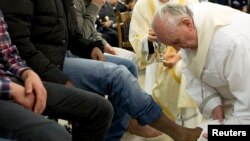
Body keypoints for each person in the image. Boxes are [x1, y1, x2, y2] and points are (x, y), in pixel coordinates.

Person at [0, 0, 202, 141]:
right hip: (45, 63)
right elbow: (20, 45)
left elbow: (72, 35)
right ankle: (174, 130)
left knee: (127, 65)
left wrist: (91, 47)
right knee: (117, 75)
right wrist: (59, 78)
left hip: (59, 55)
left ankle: (118, 130)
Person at [0, 10, 113, 141]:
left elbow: (9, 53)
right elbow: (26, 45)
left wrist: (27, 72)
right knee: (58, 135)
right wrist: (10, 89)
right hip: (47, 63)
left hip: (23, 72)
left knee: (101, 109)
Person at [152, 1, 250, 140]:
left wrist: (223, 133)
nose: (178, 49)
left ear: (188, 24)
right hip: (230, 102)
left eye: (176, 42)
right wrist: (213, 102)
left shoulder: (233, 43)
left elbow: (247, 106)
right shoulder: (190, 20)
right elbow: (193, 67)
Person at [74, 0, 160, 138]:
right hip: (74, 52)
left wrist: (103, 44)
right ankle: (142, 117)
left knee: (130, 62)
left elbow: (90, 31)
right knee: (118, 73)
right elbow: (79, 34)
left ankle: (122, 123)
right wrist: (95, 6)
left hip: (87, 47)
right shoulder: (76, 3)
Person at [129, 0, 202, 132]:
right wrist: (148, 40)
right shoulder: (143, 4)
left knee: (185, 72)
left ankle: (190, 124)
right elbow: (136, 37)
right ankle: (178, 126)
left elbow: (199, 31)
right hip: (158, 60)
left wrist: (180, 55)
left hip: (189, 52)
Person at [73, 0, 138, 64]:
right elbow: (82, 37)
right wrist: (95, 6)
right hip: (79, 50)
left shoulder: (93, 3)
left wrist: (104, 43)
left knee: (133, 57)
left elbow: (92, 29)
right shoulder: (76, 2)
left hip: (91, 44)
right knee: (128, 65)